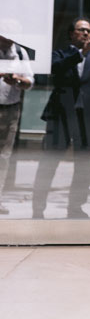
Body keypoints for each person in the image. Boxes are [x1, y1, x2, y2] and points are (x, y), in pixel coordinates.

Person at [33, 18, 90, 218]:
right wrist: (81, 54)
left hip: (88, 117)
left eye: (89, 31)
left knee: (84, 165)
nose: (86, 34)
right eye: (81, 30)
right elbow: (54, 68)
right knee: (49, 162)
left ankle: (75, 207)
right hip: (61, 115)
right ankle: (38, 209)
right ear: (72, 34)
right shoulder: (61, 54)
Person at [0, 31, 33, 215]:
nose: (6, 41)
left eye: (9, 38)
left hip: (11, 109)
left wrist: (17, 81)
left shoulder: (20, 52)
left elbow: (30, 81)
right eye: (3, 37)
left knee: (4, 157)